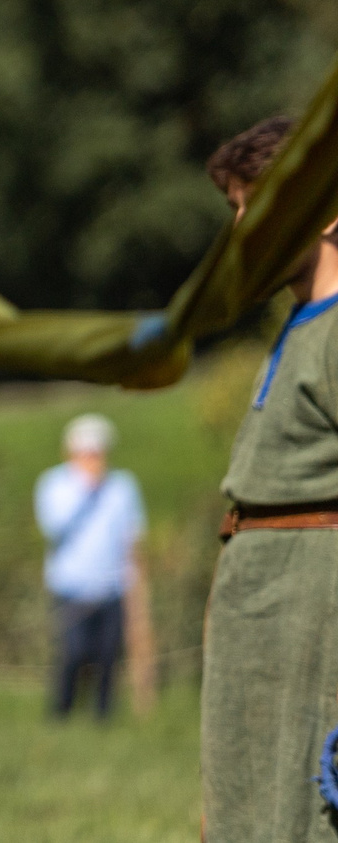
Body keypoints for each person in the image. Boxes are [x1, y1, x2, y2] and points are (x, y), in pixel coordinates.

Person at [201, 113, 338, 841]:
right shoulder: (300, 324)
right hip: (269, 630)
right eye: (238, 210)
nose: (245, 229)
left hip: (319, 625)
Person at [33, 412, 143, 721]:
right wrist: (87, 491)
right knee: (73, 653)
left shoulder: (123, 486)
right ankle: (61, 714)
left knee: (108, 656)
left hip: (112, 586)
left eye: (97, 451)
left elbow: (132, 536)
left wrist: (134, 581)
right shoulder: (54, 484)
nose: (93, 458)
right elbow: (55, 529)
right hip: (70, 586)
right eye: (86, 452)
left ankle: (103, 718)